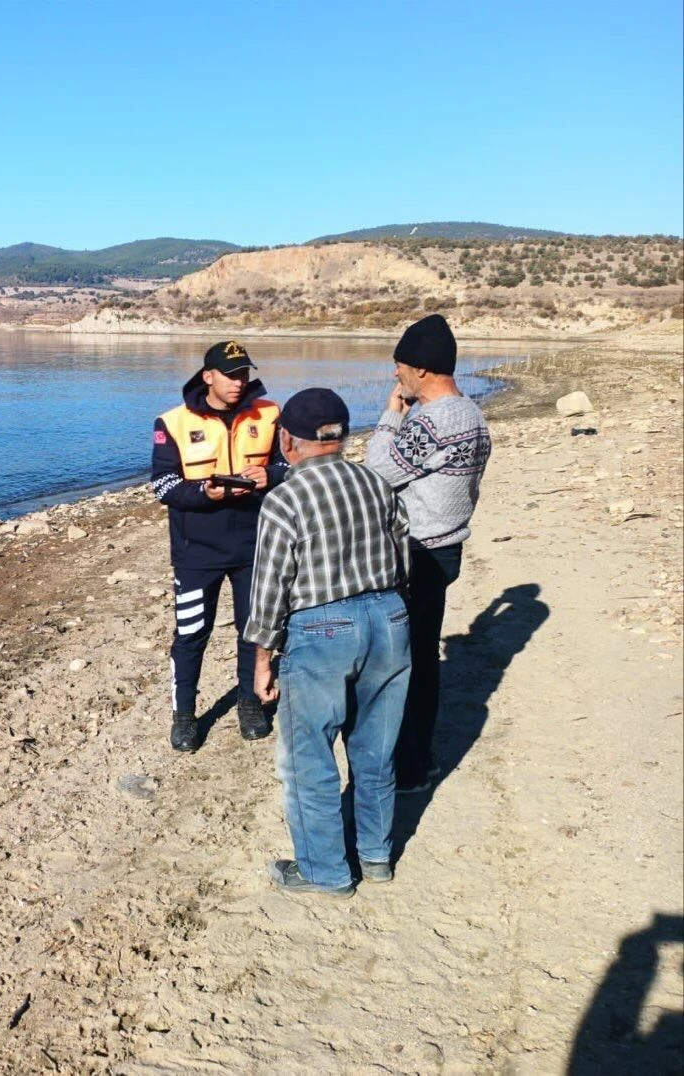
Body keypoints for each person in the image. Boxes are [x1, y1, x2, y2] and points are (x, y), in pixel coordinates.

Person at [245, 388, 412, 897]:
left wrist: (262, 659)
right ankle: (377, 856)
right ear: (341, 435)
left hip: (322, 629)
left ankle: (325, 871)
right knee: (375, 752)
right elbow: (403, 551)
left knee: (309, 757)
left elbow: (271, 584)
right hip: (389, 617)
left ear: (288, 442)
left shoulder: (285, 498)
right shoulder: (376, 483)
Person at [365, 314, 492, 795]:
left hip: (419, 551)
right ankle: (421, 758)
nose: (395, 376)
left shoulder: (433, 421)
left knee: (407, 660)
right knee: (419, 652)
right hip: (448, 544)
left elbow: (378, 472)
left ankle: (412, 768)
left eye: (398, 368)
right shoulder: (472, 415)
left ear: (420, 369)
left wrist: (390, 415)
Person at [151, 340, 288, 750]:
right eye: (230, 374)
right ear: (208, 376)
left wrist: (271, 476)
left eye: (243, 373)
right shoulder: (171, 422)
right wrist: (202, 495)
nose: (239, 382)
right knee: (192, 634)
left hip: (256, 546)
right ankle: (185, 716)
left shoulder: (271, 414)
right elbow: (163, 484)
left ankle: (249, 703)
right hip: (197, 552)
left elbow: (292, 464)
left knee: (254, 630)